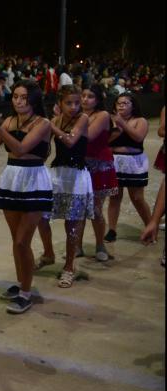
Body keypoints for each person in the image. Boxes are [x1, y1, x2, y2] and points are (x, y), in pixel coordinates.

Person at [0, 80, 52, 314]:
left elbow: (22, 148)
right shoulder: (10, 121)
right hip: (12, 179)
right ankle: (23, 282)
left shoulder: (43, 123)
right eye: (15, 96)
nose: (19, 101)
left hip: (34, 180)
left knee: (23, 240)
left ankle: (26, 292)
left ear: (33, 100)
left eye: (24, 97)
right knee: (16, 241)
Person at [47, 84, 94, 287]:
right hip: (58, 174)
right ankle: (49, 253)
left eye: (77, 102)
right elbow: (46, 146)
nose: (74, 106)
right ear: (59, 103)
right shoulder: (56, 120)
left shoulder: (82, 119)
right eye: (69, 103)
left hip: (77, 176)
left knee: (71, 225)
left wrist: (50, 126)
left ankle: (69, 267)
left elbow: (70, 141)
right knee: (41, 216)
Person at [76, 84, 118, 261]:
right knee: (77, 209)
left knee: (95, 208)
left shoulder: (102, 115)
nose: (85, 99)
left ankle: (100, 245)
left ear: (98, 99)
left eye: (90, 96)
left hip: (99, 165)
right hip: (80, 164)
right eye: (83, 95)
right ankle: (76, 246)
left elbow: (88, 136)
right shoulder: (77, 114)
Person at [105, 92, 151, 243]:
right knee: (115, 197)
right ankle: (112, 230)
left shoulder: (140, 120)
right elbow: (106, 141)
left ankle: (151, 225)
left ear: (133, 106)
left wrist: (123, 124)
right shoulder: (110, 121)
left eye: (126, 103)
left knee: (137, 198)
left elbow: (138, 137)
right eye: (119, 103)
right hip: (115, 162)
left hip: (134, 163)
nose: (122, 106)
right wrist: (116, 126)